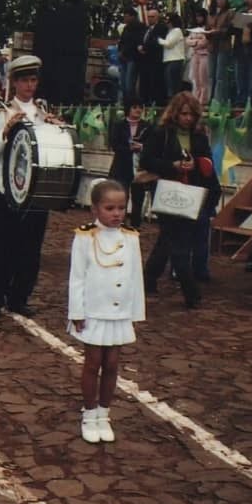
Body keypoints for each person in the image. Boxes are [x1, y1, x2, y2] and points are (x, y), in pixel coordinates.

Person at [0, 55, 58, 320]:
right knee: (2, 245)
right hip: (7, 188)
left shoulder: (44, 111)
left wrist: (57, 129)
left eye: (33, 79)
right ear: (14, 82)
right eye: (24, 80)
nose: (29, 85)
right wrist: (5, 132)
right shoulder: (1, 111)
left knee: (31, 247)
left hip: (35, 189)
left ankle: (19, 297)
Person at [68, 180, 145, 443]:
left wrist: (135, 313)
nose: (116, 213)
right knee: (93, 363)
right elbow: (77, 277)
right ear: (95, 209)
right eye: (109, 208)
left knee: (112, 364)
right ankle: (89, 414)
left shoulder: (131, 237)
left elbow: (136, 277)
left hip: (120, 312)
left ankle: (104, 412)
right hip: (94, 310)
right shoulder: (85, 236)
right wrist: (77, 311)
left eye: (121, 208)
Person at [139, 92, 220, 308]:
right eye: (184, 114)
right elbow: (147, 160)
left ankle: (148, 278)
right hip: (167, 192)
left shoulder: (200, 137)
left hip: (190, 193)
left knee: (168, 239)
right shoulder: (161, 133)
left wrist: (196, 165)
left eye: (192, 114)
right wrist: (172, 165)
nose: (188, 118)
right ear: (175, 113)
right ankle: (191, 291)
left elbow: (208, 164)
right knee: (178, 243)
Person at [107, 97, 154, 228]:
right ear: (128, 109)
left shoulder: (148, 126)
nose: (138, 110)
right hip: (122, 167)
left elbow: (152, 145)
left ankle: (135, 226)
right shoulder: (119, 125)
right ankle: (119, 223)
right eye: (135, 107)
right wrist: (129, 148)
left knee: (138, 198)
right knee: (121, 196)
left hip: (139, 167)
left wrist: (142, 147)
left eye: (140, 107)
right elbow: (115, 145)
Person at [207, 0, 235, 104]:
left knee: (220, 75)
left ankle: (219, 100)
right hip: (212, 46)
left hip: (223, 46)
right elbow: (207, 28)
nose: (221, 1)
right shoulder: (211, 14)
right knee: (211, 75)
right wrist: (207, 32)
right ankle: (211, 98)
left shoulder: (230, 13)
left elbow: (230, 29)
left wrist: (218, 31)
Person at [138, 9, 168, 105]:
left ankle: (156, 102)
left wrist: (144, 48)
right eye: (149, 16)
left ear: (157, 17)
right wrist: (139, 46)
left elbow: (157, 41)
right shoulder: (146, 29)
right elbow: (142, 40)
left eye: (152, 17)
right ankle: (144, 102)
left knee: (155, 82)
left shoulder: (161, 28)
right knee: (144, 82)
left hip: (155, 60)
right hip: (144, 60)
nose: (150, 19)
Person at [117, 7, 145, 102]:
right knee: (123, 83)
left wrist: (125, 51)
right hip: (124, 58)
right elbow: (122, 41)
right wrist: (120, 51)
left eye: (126, 16)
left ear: (132, 16)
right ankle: (125, 101)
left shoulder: (140, 27)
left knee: (129, 84)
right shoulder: (126, 28)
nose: (125, 18)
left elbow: (136, 42)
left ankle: (131, 102)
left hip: (133, 58)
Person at [185, 8, 211, 105]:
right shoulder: (193, 29)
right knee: (195, 79)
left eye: (200, 16)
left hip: (204, 55)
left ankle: (203, 100)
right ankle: (195, 99)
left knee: (203, 78)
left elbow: (205, 42)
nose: (198, 18)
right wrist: (195, 42)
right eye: (196, 16)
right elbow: (187, 41)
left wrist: (195, 42)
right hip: (195, 55)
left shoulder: (207, 29)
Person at [158, 13, 186, 101]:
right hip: (168, 59)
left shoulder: (177, 31)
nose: (166, 23)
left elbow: (169, 44)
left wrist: (157, 39)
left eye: (168, 21)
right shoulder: (169, 32)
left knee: (173, 84)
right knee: (169, 83)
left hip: (175, 59)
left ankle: (175, 102)